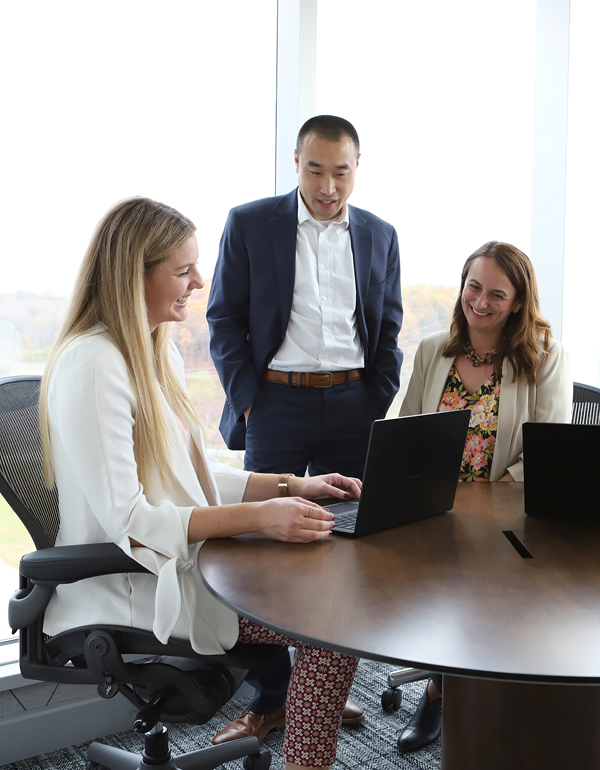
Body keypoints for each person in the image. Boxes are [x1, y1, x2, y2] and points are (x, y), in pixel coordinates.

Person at [39, 197, 364, 770]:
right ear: (134, 272)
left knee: (330, 579)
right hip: (130, 585)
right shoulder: (95, 364)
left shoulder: (139, 352)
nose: (200, 280)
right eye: (183, 269)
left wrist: (291, 486)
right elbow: (134, 522)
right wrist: (263, 518)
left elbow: (183, 475)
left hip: (179, 566)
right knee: (326, 625)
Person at [206, 115, 403, 737]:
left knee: (347, 551)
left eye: (340, 171)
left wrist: (376, 398)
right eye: (315, 169)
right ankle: (270, 701)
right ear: (296, 163)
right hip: (277, 404)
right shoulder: (249, 222)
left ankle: (321, 689)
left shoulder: (380, 234)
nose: (328, 185)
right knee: (265, 558)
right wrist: (249, 402)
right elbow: (223, 320)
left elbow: (388, 327)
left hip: (353, 404)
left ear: (357, 166)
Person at [396, 240, 572, 752]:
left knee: (476, 581)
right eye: (474, 286)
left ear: (518, 302)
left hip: (505, 515)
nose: (481, 301)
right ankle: (447, 685)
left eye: (497, 293)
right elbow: (407, 429)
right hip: (435, 507)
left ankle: (437, 692)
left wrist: (484, 500)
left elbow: (546, 453)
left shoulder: (546, 356)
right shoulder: (435, 349)